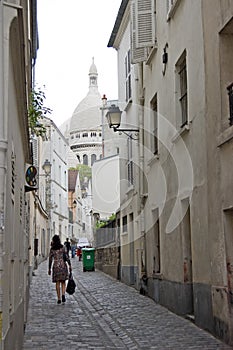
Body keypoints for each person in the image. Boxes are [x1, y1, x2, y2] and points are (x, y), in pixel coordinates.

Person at [48, 234, 72, 304]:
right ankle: (63, 294)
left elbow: (50, 259)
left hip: (56, 266)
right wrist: (70, 265)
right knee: (63, 282)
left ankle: (59, 298)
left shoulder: (52, 249)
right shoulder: (63, 247)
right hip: (63, 265)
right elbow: (67, 257)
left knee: (57, 282)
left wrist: (49, 269)